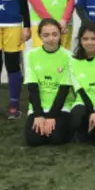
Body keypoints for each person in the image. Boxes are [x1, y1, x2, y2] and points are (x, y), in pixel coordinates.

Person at [23, 19, 74, 147]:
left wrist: (51, 116)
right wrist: (39, 115)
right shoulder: (31, 55)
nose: (51, 38)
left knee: (56, 138)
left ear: (60, 35)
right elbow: (32, 88)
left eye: (54, 34)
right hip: (39, 106)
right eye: (46, 35)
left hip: (61, 107)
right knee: (33, 140)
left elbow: (64, 90)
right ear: (39, 35)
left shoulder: (69, 56)